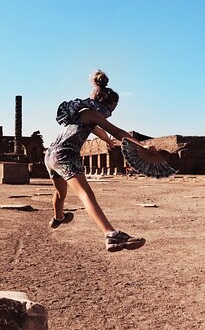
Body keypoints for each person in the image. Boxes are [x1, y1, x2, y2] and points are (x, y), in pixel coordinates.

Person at [44, 70, 157, 252]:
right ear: (106, 103)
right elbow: (119, 132)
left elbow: (97, 130)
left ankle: (58, 217)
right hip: (66, 154)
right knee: (85, 194)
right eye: (112, 110)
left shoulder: (81, 113)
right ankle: (111, 235)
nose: (110, 114)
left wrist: (106, 141)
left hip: (50, 155)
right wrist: (143, 147)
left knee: (60, 193)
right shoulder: (94, 113)